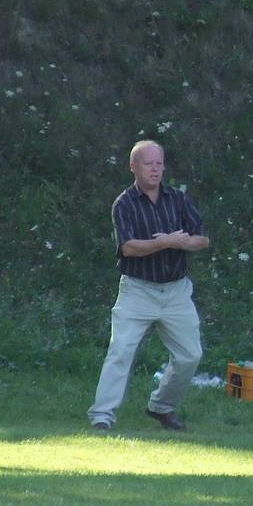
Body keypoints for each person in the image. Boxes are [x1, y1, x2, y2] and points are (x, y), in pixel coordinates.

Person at [88, 140, 209, 432]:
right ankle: (102, 416)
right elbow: (128, 247)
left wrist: (181, 242)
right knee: (121, 351)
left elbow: (202, 239)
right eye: (148, 164)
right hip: (138, 290)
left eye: (159, 163)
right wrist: (165, 242)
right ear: (133, 167)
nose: (155, 169)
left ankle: (161, 407)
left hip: (176, 291)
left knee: (190, 355)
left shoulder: (178, 199)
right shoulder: (124, 204)